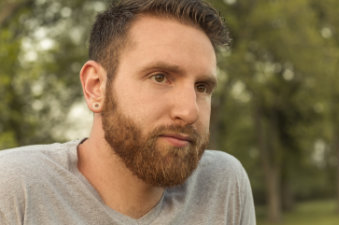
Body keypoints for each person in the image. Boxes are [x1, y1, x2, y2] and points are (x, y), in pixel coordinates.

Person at [0, 0, 256, 224]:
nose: (189, 112)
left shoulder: (223, 185)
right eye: (160, 77)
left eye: (202, 87)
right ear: (96, 87)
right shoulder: (15, 188)